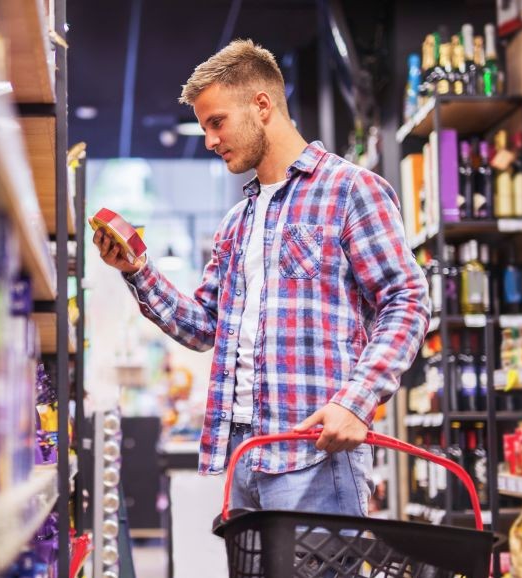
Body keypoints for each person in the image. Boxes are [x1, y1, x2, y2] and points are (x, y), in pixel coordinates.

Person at [92, 39, 430, 517]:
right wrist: (137, 270)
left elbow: (407, 299)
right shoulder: (237, 222)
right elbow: (203, 325)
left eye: (216, 122)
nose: (209, 139)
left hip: (316, 455)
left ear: (262, 105)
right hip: (243, 459)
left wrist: (356, 401)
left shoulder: (351, 190)